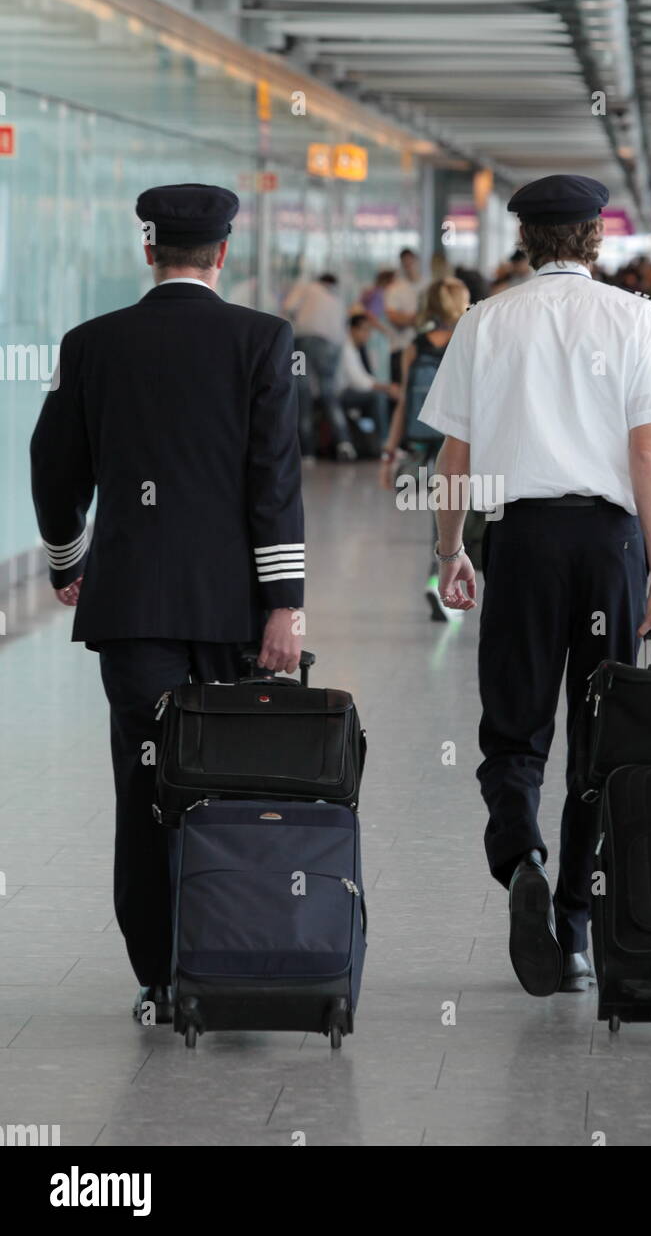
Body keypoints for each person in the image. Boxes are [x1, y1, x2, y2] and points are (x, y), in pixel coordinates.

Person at [30, 183, 305, 1023]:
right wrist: (283, 604)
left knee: (145, 782)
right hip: (236, 609)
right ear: (222, 254)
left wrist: (69, 561)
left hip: (135, 606)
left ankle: (157, 973)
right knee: (237, 777)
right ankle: (237, 952)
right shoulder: (262, 340)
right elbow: (274, 482)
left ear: (148, 251)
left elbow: (52, 466)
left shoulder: (91, 344)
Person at [418, 174, 651, 996]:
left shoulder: (483, 321)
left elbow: (452, 461)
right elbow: (649, 457)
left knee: (513, 724)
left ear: (524, 244)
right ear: (596, 239)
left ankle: (520, 858)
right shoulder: (636, 317)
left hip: (523, 539)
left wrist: (448, 554)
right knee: (601, 735)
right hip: (609, 546)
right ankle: (572, 931)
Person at [379, 277, 470, 622]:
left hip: (428, 444)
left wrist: (389, 454)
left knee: (443, 516)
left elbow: (404, 403)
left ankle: (441, 578)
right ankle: (448, 583)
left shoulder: (415, 346)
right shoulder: (467, 341)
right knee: (474, 518)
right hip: (464, 442)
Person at [287, 273, 356, 462]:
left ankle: (307, 451)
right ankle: (344, 442)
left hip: (304, 341)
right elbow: (342, 331)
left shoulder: (308, 287)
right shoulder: (338, 299)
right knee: (329, 394)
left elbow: (288, 307)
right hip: (332, 346)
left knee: (303, 393)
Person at [337, 313, 399, 448]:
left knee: (385, 395)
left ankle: (388, 442)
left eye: (369, 330)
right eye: (364, 330)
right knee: (378, 397)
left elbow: (363, 378)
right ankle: (384, 444)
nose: (368, 334)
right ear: (352, 329)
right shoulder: (345, 348)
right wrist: (386, 387)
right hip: (341, 393)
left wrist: (386, 387)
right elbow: (357, 381)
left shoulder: (355, 349)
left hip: (351, 391)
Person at [384, 247, 423, 384]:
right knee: (401, 392)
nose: (409, 266)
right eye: (406, 263)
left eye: (411, 262)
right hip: (400, 347)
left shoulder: (427, 285)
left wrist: (409, 318)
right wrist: (419, 319)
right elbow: (394, 318)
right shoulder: (395, 288)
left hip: (423, 350)